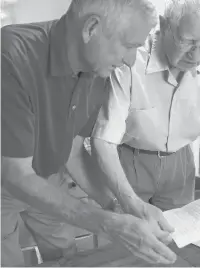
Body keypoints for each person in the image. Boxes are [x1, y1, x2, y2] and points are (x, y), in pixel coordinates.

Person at [1, 0, 177, 266]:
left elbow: (72, 150)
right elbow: (14, 174)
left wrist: (120, 206)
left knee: (66, 257)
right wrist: (107, 225)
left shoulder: (97, 69)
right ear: (91, 28)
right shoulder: (10, 55)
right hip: (6, 181)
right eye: (129, 46)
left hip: (48, 176)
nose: (130, 62)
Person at [88, 0, 200, 229]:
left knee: (179, 243)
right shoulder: (131, 57)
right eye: (188, 41)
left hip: (180, 164)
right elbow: (104, 141)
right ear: (164, 26)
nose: (196, 55)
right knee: (132, 242)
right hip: (128, 161)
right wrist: (129, 201)